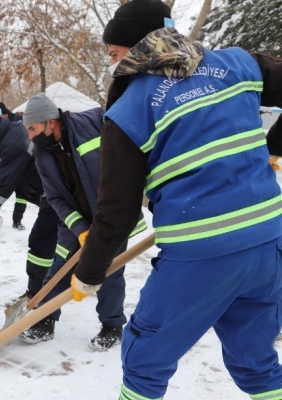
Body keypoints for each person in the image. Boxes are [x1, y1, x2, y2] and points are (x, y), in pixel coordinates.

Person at [69, 0, 282, 398]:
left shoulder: (129, 110)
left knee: (145, 362)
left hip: (202, 254)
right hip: (269, 243)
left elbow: (117, 212)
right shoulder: (239, 64)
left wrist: (89, 271)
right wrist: (272, 142)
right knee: (256, 360)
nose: (112, 65)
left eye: (114, 54)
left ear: (137, 46)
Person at [20, 93, 147, 347]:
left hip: (112, 216)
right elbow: (55, 198)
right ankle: (44, 319)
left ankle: (112, 326)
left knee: (109, 272)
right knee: (58, 268)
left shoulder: (93, 121)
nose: (30, 136)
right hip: (75, 220)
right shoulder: (42, 154)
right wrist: (80, 229)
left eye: (32, 128)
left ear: (50, 122)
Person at [0, 111, 60, 304]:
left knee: (40, 244)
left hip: (55, 195)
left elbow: (3, 187)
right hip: (51, 192)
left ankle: (38, 298)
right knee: (60, 243)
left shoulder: (13, 143)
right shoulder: (12, 132)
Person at [0, 102, 28, 230]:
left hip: (21, 164)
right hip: (4, 163)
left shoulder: (19, 122)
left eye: (1, 117)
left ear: (6, 114)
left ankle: (17, 221)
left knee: (21, 196)